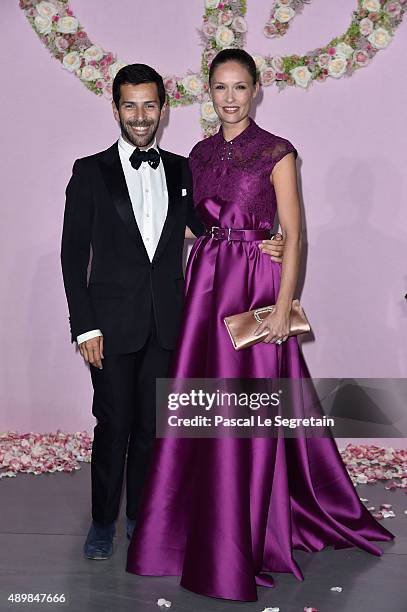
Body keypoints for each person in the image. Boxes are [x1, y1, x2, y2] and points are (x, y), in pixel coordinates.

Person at [126, 50, 395, 601]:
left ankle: (249, 530)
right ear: (209, 91)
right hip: (204, 290)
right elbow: (188, 227)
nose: (230, 98)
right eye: (221, 88)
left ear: (256, 91)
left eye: (240, 87)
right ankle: (181, 533)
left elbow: (293, 235)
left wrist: (282, 304)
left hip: (254, 289)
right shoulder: (196, 154)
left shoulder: (278, 151)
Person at [60, 63, 284, 561]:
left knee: (152, 428)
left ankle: (142, 517)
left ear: (164, 109)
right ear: (116, 108)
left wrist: (269, 241)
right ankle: (102, 521)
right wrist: (85, 326)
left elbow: (213, 228)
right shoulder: (89, 171)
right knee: (112, 424)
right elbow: (72, 256)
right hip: (110, 326)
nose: (140, 116)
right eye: (130, 105)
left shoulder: (185, 169)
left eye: (149, 105)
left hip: (168, 323)